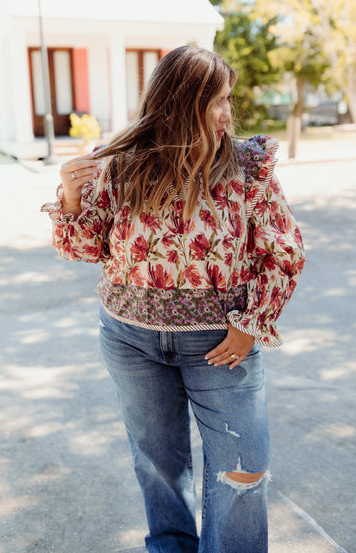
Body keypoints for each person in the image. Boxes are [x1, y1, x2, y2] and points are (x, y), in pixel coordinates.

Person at [41, 45, 305, 553]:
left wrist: (252, 321)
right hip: (130, 341)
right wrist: (71, 199)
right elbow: (86, 248)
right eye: (213, 100)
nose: (227, 112)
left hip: (221, 344)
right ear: (178, 102)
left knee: (244, 470)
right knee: (157, 464)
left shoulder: (249, 167)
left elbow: (283, 250)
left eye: (227, 98)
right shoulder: (122, 166)